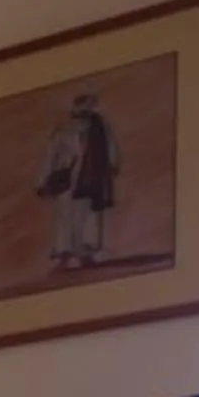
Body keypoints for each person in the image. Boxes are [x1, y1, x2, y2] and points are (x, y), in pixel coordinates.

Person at [36, 90, 120, 270]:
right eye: (85, 104)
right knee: (66, 217)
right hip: (67, 179)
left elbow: (111, 149)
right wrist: (43, 180)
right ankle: (64, 256)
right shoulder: (64, 128)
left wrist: (111, 166)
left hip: (90, 179)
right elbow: (51, 155)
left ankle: (85, 255)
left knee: (87, 216)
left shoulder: (100, 126)